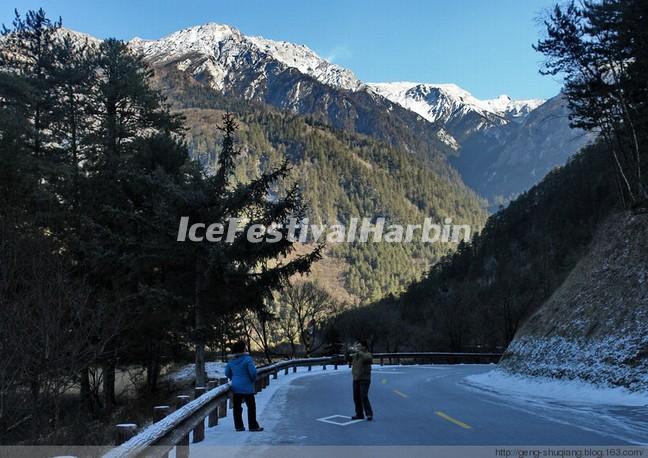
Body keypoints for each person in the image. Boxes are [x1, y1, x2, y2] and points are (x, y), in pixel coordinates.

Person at [225, 341, 264, 432]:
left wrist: (234, 378)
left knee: (237, 407)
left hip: (236, 387)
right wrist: (252, 380)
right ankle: (253, 426)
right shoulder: (247, 359)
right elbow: (253, 373)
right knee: (251, 407)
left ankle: (239, 426)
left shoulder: (231, 360)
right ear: (243, 349)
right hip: (247, 387)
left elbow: (227, 373)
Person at [349, 340, 373, 421]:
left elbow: (368, 359)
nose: (357, 347)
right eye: (357, 346)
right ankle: (359, 414)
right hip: (356, 379)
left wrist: (359, 352)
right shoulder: (355, 355)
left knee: (363, 396)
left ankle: (369, 414)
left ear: (364, 347)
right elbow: (347, 358)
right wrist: (347, 351)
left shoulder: (368, 354)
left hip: (364, 379)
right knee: (356, 397)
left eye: (359, 346)